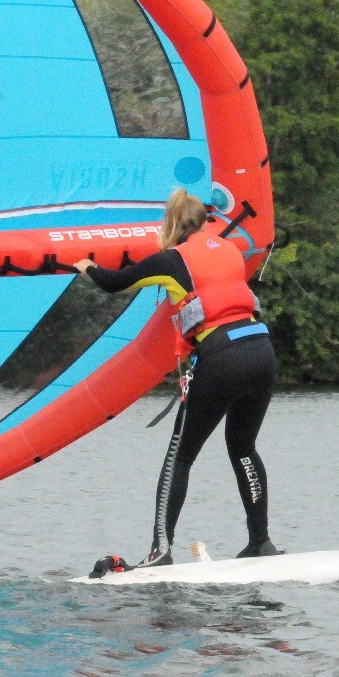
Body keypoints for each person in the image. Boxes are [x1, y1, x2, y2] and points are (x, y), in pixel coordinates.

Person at [74, 188, 279, 567]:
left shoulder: (171, 261)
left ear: (170, 224)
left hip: (223, 358)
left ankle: (161, 551)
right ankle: (261, 542)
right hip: (261, 351)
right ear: (203, 222)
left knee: (180, 457)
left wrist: (84, 265)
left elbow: (114, 282)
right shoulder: (230, 250)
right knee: (243, 447)